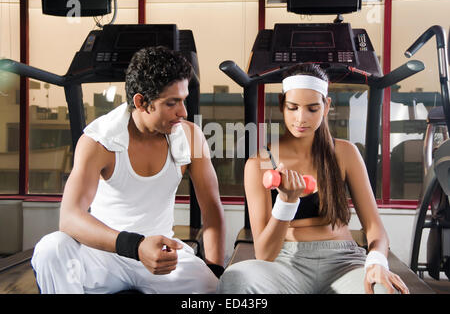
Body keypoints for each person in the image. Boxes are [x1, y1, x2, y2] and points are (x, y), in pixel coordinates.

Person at [31, 46, 225, 294]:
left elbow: (211, 210)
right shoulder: (98, 141)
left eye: (183, 100)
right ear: (141, 102)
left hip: (162, 257)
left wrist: (215, 271)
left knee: (216, 290)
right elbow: (69, 218)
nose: (183, 112)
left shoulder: (191, 136)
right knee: (51, 248)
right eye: (171, 103)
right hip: (104, 254)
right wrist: (135, 246)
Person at [217, 63, 409, 294]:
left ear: (326, 106)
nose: (301, 118)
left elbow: (375, 228)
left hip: (343, 263)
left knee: (386, 290)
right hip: (285, 265)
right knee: (234, 280)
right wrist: (287, 203)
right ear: (281, 105)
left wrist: (377, 262)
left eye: (312, 108)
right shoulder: (260, 163)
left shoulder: (344, 153)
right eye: (293, 107)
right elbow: (264, 253)